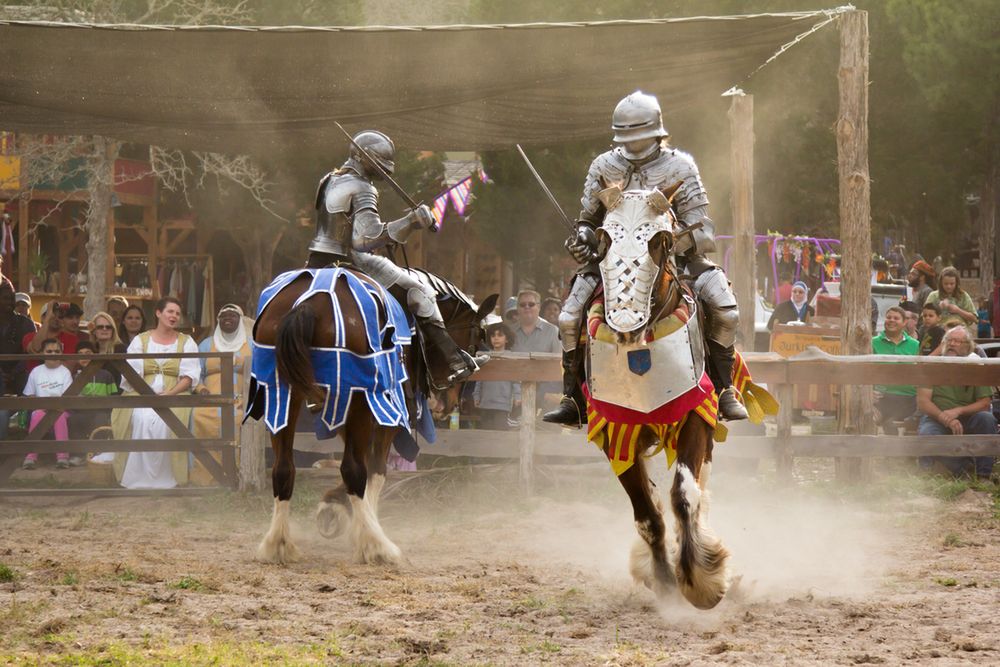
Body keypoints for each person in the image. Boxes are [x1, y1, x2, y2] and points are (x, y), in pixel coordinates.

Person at [544, 90, 748, 425]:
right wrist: (582, 240)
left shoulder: (679, 166)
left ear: (656, 132)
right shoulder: (604, 165)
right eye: (628, 137)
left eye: (640, 137)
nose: (634, 145)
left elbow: (704, 229)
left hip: (670, 260)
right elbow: (587, 221)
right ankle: (574, 398)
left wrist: (673, 242)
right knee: (568, 318)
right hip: (613, 262)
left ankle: (725, 390)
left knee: (725, 307)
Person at [309, 129, 486, 386]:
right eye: (378, 163)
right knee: (420, 291)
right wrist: (411, 222)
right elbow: (365, 239)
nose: (381, 170)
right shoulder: (362, 186)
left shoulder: (328, 179)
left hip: (317, 258)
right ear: (362, 157)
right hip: (352, 260)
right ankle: (453, 359)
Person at [111, 297, 200, 489]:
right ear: (158, 313)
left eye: (177, 313)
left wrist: (170, 393)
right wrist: (148, 395)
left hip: (175, 392)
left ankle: (169, 477)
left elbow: (189, 376)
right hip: (142, 391)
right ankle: (137, 477)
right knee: (140, 417)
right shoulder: (140, 340)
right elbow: (132, 373)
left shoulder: (186, 341)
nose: (174, 316)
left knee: (165, 420)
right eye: (170, 311)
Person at [916, 326, 997, 481]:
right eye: (949, 341)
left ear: (968, 345)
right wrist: (944, 417)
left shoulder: (976, 367)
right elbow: (923, 401)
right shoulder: (932, 366)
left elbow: (984, 403)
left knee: (986, 419)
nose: (952, 344)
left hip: (968, 417)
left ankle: (983, 476)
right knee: (927, 433)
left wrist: (958, 411)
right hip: (936, 417)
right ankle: (962, 469)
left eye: (957, 341)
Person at [191, 304, 252, 483]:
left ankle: (236, 475)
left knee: (237, 418)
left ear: (240, 320)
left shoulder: (250, 345)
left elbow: (257, 375)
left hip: (240, 400)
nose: (227, 318)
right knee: (198, 417)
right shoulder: (206, 344)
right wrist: (200, 388)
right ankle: (206, 477)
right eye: (223, 316)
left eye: (232, 316)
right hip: (209, 401)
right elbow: (196, 374)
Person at [21, 337, 74, 470]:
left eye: (56, 351)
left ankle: (62, 457)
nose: (53, 354)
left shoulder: (65, 372)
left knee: (59, 417)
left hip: (61, 409)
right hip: (40, 409)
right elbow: (30, 394)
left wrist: (54, 407)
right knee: (36, 415)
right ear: (43, 353)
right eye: (49, 351)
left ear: (61, 353)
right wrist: (41, 406)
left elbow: (67, 397)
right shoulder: (36, 371)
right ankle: (30, 457)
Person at [871, 306, 919, 434]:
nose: (891, 320)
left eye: (896, 318)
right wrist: (869, 391)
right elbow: (864, 371)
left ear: (904, 323)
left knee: (904, 417)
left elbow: (920, 373)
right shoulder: (872, 343)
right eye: (888, 317)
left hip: (908, 398)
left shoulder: (915, 345)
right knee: (870, 416)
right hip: (881, 397)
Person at [0, 282, 37, 441]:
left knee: (29, 381)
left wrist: (14, 372)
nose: (10, 302)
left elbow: (29, 352)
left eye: (12, 299)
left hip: (20, 370)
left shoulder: (25, 323)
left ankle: (27, 434)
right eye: (5, 298)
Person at [473, 321, 521, 430]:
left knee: (500, 433)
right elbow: (479, 378)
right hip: (485, 403)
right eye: (493, 335)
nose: (496, 338)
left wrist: (518, 396)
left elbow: (516, 380)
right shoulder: (485, 357)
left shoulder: (511, 358)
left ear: (507, 339)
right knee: (486, 433)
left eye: (500, 335)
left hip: (503, 405)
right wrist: (476, 395)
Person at [69, 340, 118, 442]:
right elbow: (71, 399)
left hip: (102, 411)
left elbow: (114, 396)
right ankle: (78, 454)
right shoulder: (74, 376)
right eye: (80, 354)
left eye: (88, 353)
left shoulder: (106, 375)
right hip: (81, 411)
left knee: (101, 418)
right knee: (73, 419)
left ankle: (98, 452)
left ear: (94, 355)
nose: (84, 357)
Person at [22, 302, 79, 373]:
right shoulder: (29, 336)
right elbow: (36, 348)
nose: (56, 319)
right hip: (37, 381)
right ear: (43, 318)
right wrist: (48, 319)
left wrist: (43, 356)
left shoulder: (72, 339)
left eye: (60, 316)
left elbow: (69, 367)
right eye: (53, 315)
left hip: (61, 381)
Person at [925, 266, 977, 336]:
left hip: (960, 333)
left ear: (957, 283)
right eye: (946, 284)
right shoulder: (933, 296)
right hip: (939, 333)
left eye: (952, 284)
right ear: (941, 283)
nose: (949, 286)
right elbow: (925, 316)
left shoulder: (963, 295)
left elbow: (974, 318)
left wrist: (958, 310)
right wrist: (938, 308)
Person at [88, 311, 128, 386]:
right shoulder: (90, 350)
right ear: (94, 331)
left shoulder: (121, 349)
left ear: (113, 330)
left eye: (108, 327)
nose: (104, 329)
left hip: (116, 394)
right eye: (100, 327)